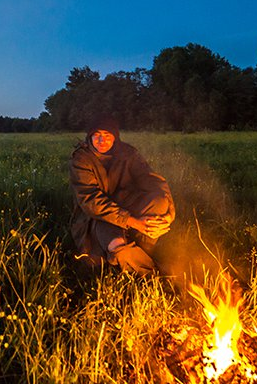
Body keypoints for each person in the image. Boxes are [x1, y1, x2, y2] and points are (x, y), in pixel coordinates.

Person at [68, 115, 176, 275]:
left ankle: (140, 254)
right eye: (97, 135)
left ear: (115, 137)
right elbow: (91, 201)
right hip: (98, 219)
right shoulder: (81, 159)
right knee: (117, 246)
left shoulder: (128, 153)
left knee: (159, 201)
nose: (101, 140)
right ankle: (158, 276)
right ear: (90, 136)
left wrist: (169, 215)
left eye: (107, 135)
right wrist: (135, 223)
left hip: (127, 205)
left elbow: (152, 181)